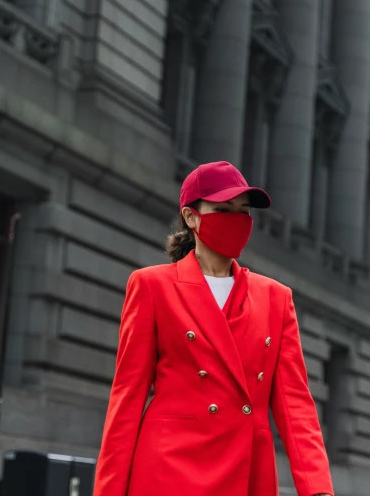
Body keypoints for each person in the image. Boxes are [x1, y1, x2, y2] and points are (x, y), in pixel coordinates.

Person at [93, 161, 334, 496]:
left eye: (243, 211)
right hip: (168, 473)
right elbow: (127, 398)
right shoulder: (152, 286)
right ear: (192, 217)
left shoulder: (276, 298)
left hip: (246, 473)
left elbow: (295, 404)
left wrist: (318, 488)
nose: (236, 220)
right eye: (222, 209)